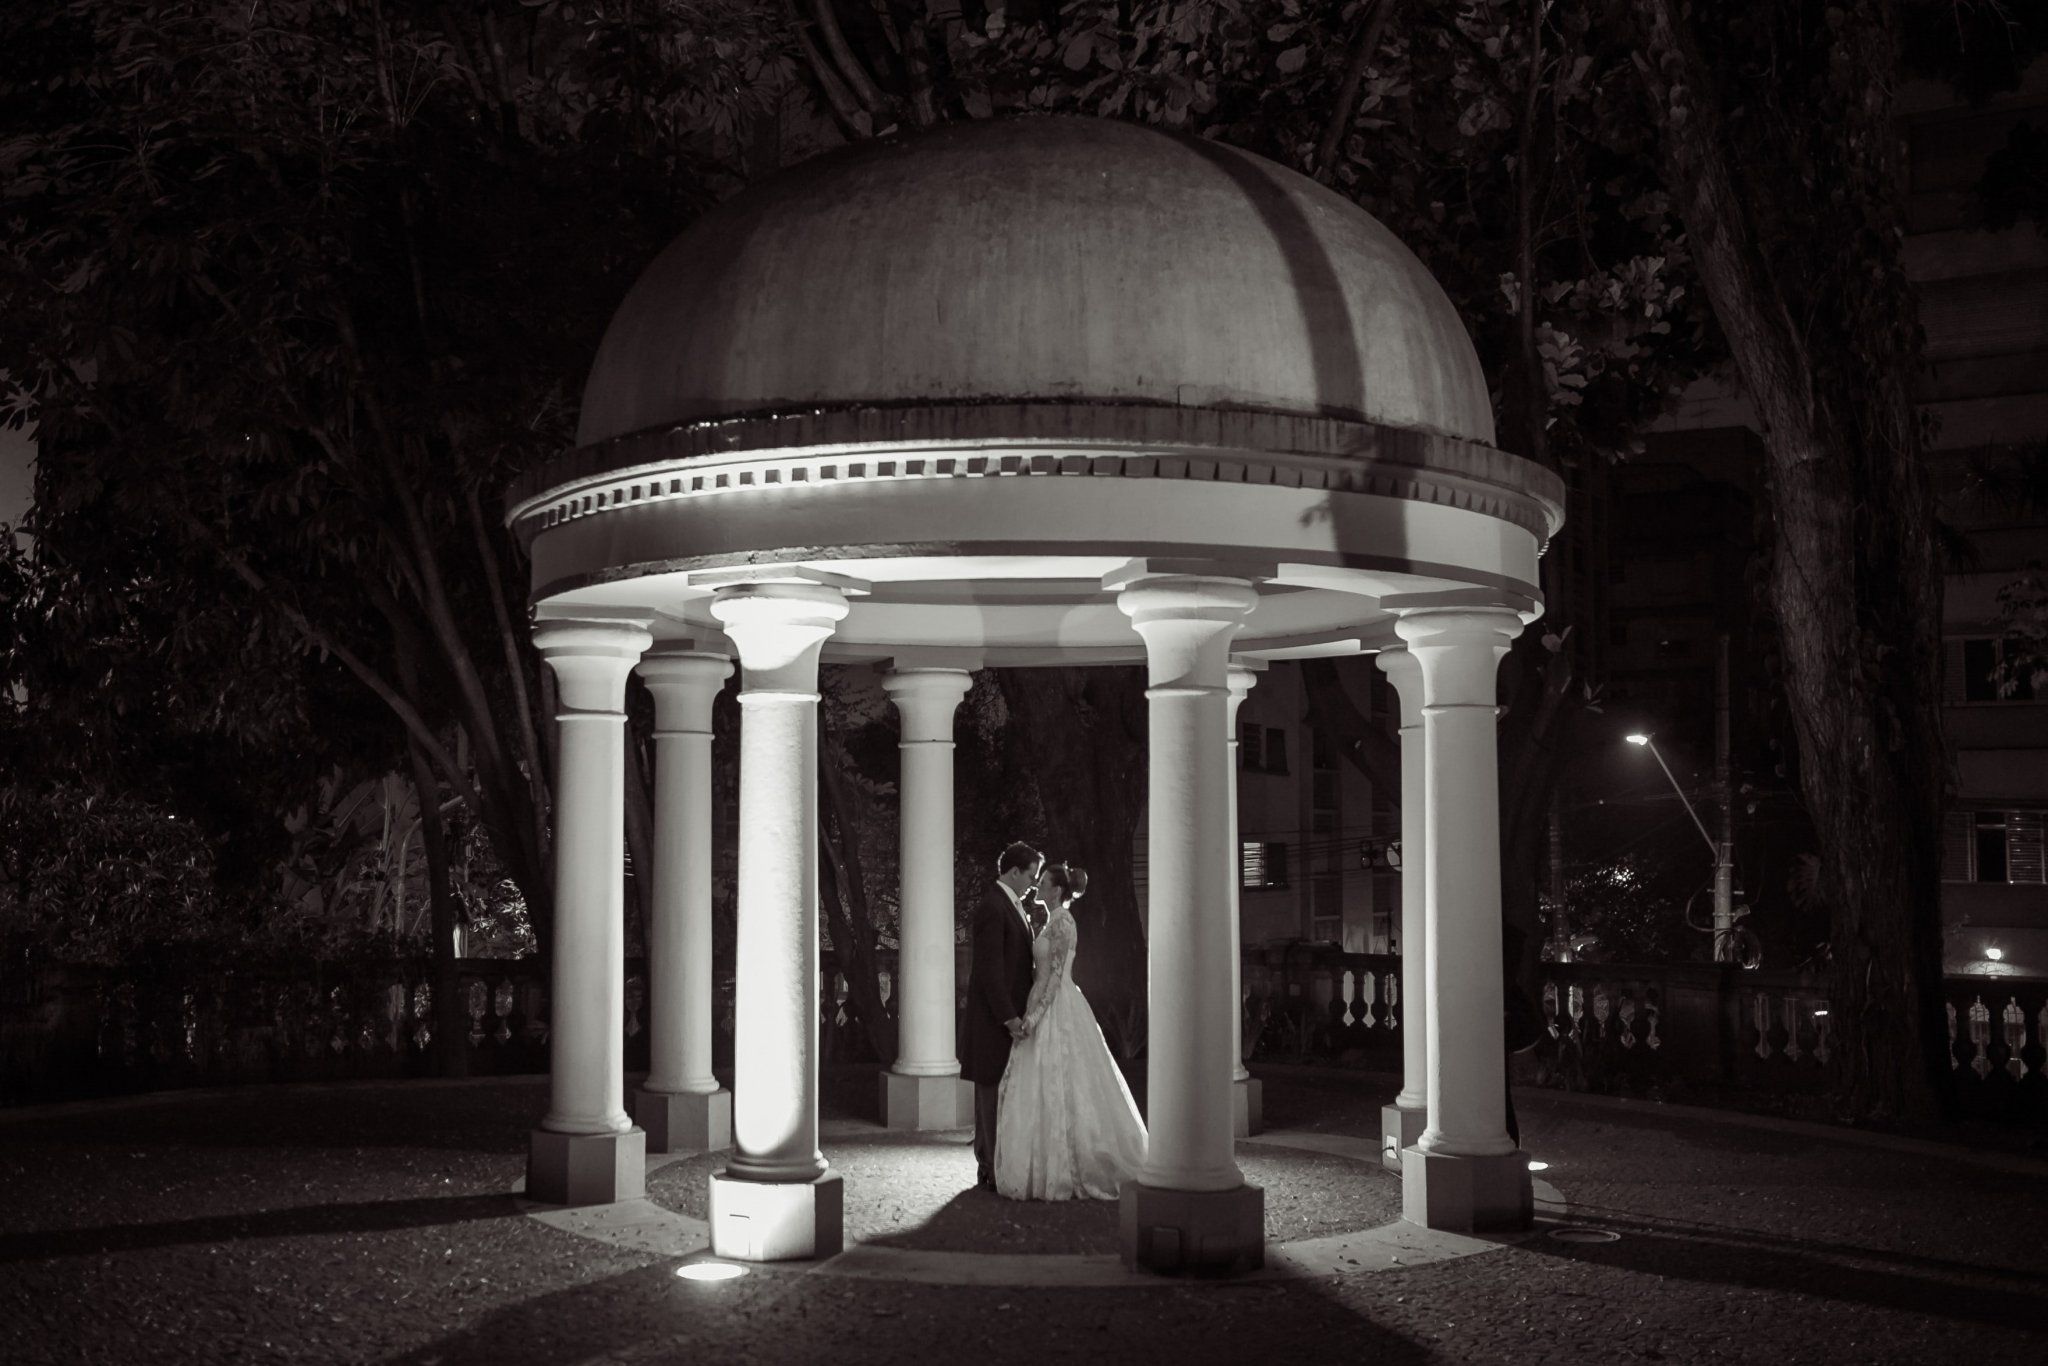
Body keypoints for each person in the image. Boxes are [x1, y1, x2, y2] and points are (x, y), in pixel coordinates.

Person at [995, 862, 1148, 1200]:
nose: (1037, 886)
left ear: (1057, 890)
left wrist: (1034, 1017)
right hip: (1040, 999)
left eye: (1043, 882)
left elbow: (1055, 976)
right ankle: (1040, 1163)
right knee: (1040, 1081)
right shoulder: (1050, 920)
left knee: (1064, 1079)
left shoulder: (1064, 922)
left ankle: (1070, 1166)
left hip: (1057, 1005)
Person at [963, 841, 1042, 1191]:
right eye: (1031, 876)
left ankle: (992, 1167)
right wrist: (1009, 1018)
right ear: (1014, 871)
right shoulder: (993, 907)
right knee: (991, 1095)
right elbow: (989, 971)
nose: (1033, 884)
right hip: (993, 1023)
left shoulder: (1009, 905)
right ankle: (992, 1170)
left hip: (1002, 1020)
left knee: (996, 1095)